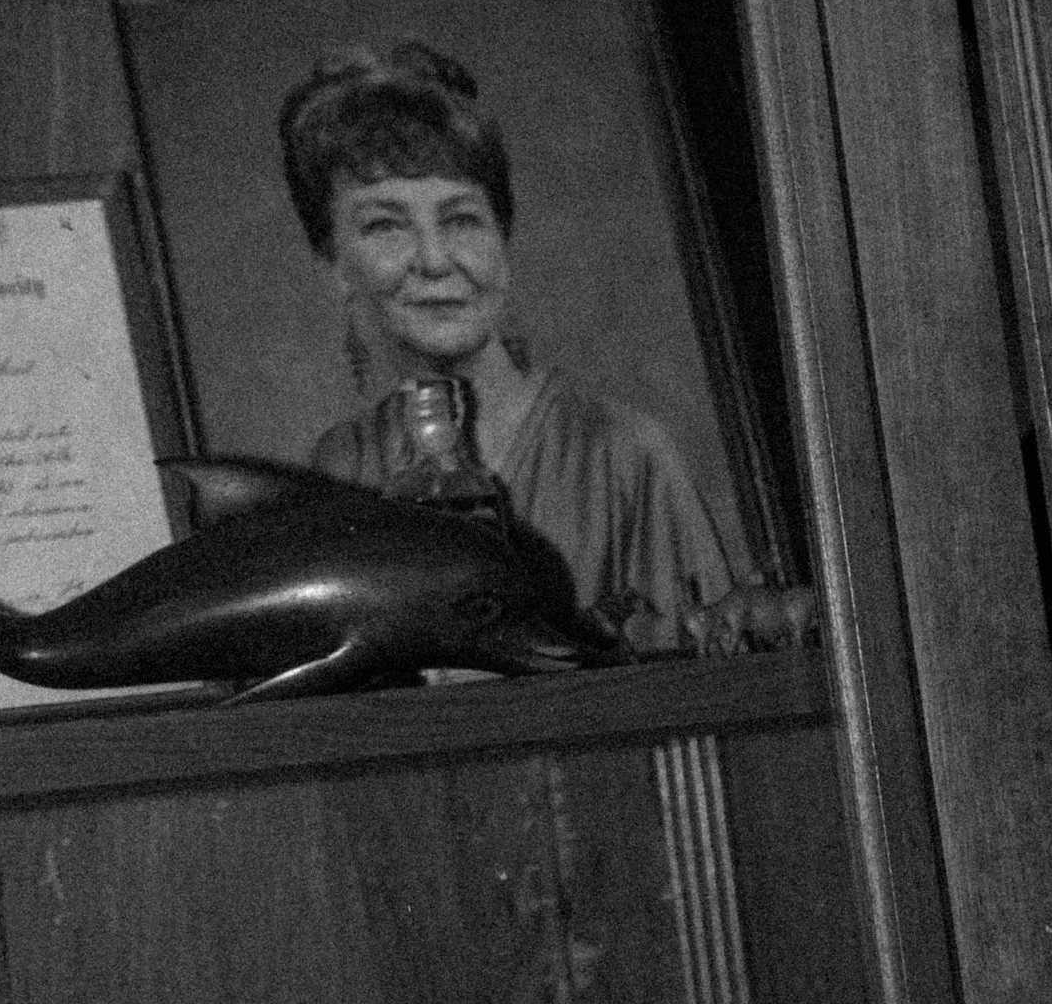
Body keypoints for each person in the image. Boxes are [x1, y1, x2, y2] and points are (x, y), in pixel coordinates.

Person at [279, 40, 739, 636]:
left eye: (461, 219)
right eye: (386, 225)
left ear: (504, 239)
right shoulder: (343, 468)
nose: (435, 260)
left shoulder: (625, 456)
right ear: (334, 264)